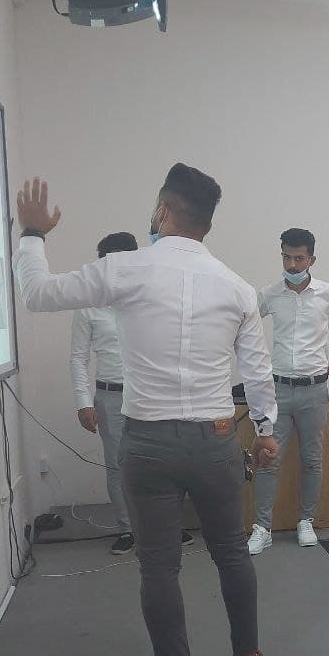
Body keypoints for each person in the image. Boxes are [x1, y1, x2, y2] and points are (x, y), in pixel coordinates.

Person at [14, 166, 280, 656]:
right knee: (231, 551)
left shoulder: (126, 268)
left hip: (149, 444)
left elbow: (37, 293)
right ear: (207, 223)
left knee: (159, 566)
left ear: (163, 210)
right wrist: (266, 430)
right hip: (216, 440)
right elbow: (257, 372)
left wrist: (33, 234)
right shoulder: (236, 287)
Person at [71, 232, 195, 555]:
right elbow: (78, 358)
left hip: (151, 393)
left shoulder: (151, 298)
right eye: (107, 263)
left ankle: (168, 526)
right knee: (118, 465)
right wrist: (83, 402)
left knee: (163, 463)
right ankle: (128, 529)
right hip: (110, 397)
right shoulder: (89, 306)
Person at [247, 228, 329, 553]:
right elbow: (244, 323)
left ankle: (306, 521)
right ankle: (262, 527)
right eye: (287, 257)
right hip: (278, 390)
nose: (292, 265)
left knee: (312, 459)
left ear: (312, 259)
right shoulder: (270, 294)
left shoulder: (328, 293)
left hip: (314, 390)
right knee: (269, 459)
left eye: (299, 258)